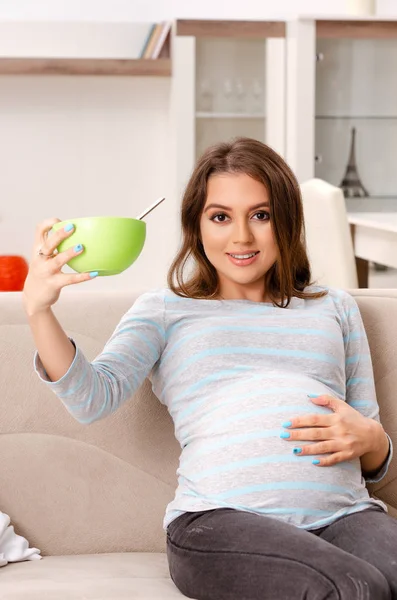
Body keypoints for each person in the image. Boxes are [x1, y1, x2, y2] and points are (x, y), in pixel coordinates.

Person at [23, 137, 396, 600]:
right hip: (218, 522)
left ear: (287, 220)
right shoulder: (165, 310)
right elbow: (90, 398)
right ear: (196, 226)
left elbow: (372, 452)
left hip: (345, 515)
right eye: (220, 217)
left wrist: (376, 443)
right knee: (356, 588)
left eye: (260, 215)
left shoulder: (334, 308)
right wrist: (39, 310)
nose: (241, 237)